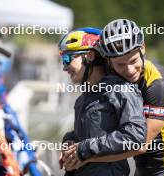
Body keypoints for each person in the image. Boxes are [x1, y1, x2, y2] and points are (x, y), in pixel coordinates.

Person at [64, 19, 164, 176]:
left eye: (133, 61)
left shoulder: (158, 85)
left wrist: (86, 157)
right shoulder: (116, 79)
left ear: (142, 48)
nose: (129, 70)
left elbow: (139, 145)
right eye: (120, 65)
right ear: (109, 61)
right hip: (142, 167)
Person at [58, 27, 147, 176]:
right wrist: (70, 141)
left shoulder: (120, 89)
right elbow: (93, 133)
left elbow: (135, 135)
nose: (64, 67)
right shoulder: (84, 98)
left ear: (90, 56)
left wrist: (84, 148)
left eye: (68, 59)